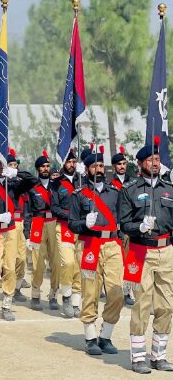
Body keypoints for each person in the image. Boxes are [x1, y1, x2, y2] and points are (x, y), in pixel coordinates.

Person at [120, 139, 173, 373]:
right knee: (142, 304)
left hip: (166, 250)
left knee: (167, 305)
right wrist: (138, 227)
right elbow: (124, 224)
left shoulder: (168, 189)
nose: (155, 163)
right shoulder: (130, 189)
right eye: (150, 159)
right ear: (140, 163)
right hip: (141, 250)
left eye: (157, 159)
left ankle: (159, 355)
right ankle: (138, 357)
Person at [69, 147, 124, 356]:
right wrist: (84, 223)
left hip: (111, 245)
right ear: (87, 169)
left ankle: (106, 336)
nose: (99, 169)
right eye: (94, 166)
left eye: (101, 165)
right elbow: (72, 224)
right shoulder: (79, 194)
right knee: (90, 292)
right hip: (89, 245)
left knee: (116, 292)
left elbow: (122, 220)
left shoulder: (116, 193)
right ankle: (90, 337)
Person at [0, 155, 36, 321]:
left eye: (4, 165)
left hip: (10, 232)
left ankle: (7, 305)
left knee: (10, 268)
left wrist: (16, 172)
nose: (1, 167)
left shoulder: (14, 184)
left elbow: (33, 181)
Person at [25, 150, 59, 311]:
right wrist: (26, 234)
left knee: (56, 262)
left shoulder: (57, 186)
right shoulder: (32, 188)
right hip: (37, 223)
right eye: (42, 167)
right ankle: (36, 294)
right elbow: (27, 212)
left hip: (54, 223)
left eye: (47, 166)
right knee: (38, 263)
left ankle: (53, 294)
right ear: (37, 169)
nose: (46, 169)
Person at [51, 149, 82, 318]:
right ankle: (67, 296)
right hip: (64, 228)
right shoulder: (56, 184)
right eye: (69, 162)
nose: (72, 164)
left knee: (79, 265)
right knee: (68, 263)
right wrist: (71, 216)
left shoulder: (82, 181)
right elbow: (54, 208)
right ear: (63, 163)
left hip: (82, 229)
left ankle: (76, 301)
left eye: (74, 161)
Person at [110, 146, 135, 307]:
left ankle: (127, 291)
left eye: (124, 163)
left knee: (129, 259)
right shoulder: (109, 184)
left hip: (130, 226)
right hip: (114, 227)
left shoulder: (133, 182)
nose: (122, 166)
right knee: (117, 261)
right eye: (119, 164)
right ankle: (114, 289)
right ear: (114, 166)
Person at [6, 149, 30, 302]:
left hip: (21, 222)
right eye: (10, 165)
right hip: (9, 224)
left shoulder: (22, 184)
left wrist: (28, 228)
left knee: (21, 259)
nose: (13, 167)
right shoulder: (3, 185)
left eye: (15, 165)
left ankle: (17, 287)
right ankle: (8, 287)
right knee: (9, 259)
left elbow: (28, 208)